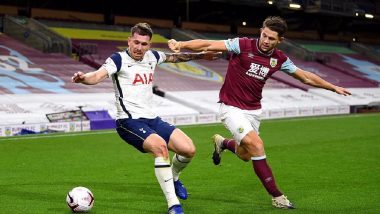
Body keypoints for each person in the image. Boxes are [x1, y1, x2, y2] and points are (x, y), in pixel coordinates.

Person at [168, 16, 351, 209]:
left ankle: (222, 142)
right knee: (257, 145)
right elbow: (209, 44)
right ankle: (277, 196)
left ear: (279, 40)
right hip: (230, 108)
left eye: (271, 38)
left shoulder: (279, 59)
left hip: (253, 111)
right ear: (260, 31)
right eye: (264, 35)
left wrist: (332, 87)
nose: (265, 41)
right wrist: (182, 43)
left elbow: (305, 77)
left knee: (245, 154)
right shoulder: (242, 45)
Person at [72, 23, 219, 214]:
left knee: (188, 149)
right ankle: (173, 205)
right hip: (128, 121)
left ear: (149, 45)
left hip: (152, 119)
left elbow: (176, 57)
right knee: (160, 147)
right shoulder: (118, 59)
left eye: (144, 44)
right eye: (136, 42)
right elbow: (97, 76)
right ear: (129, 40)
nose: (139, 47)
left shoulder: (152, 56)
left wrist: (202, 56)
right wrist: (83, 78)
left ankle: (173, 179)